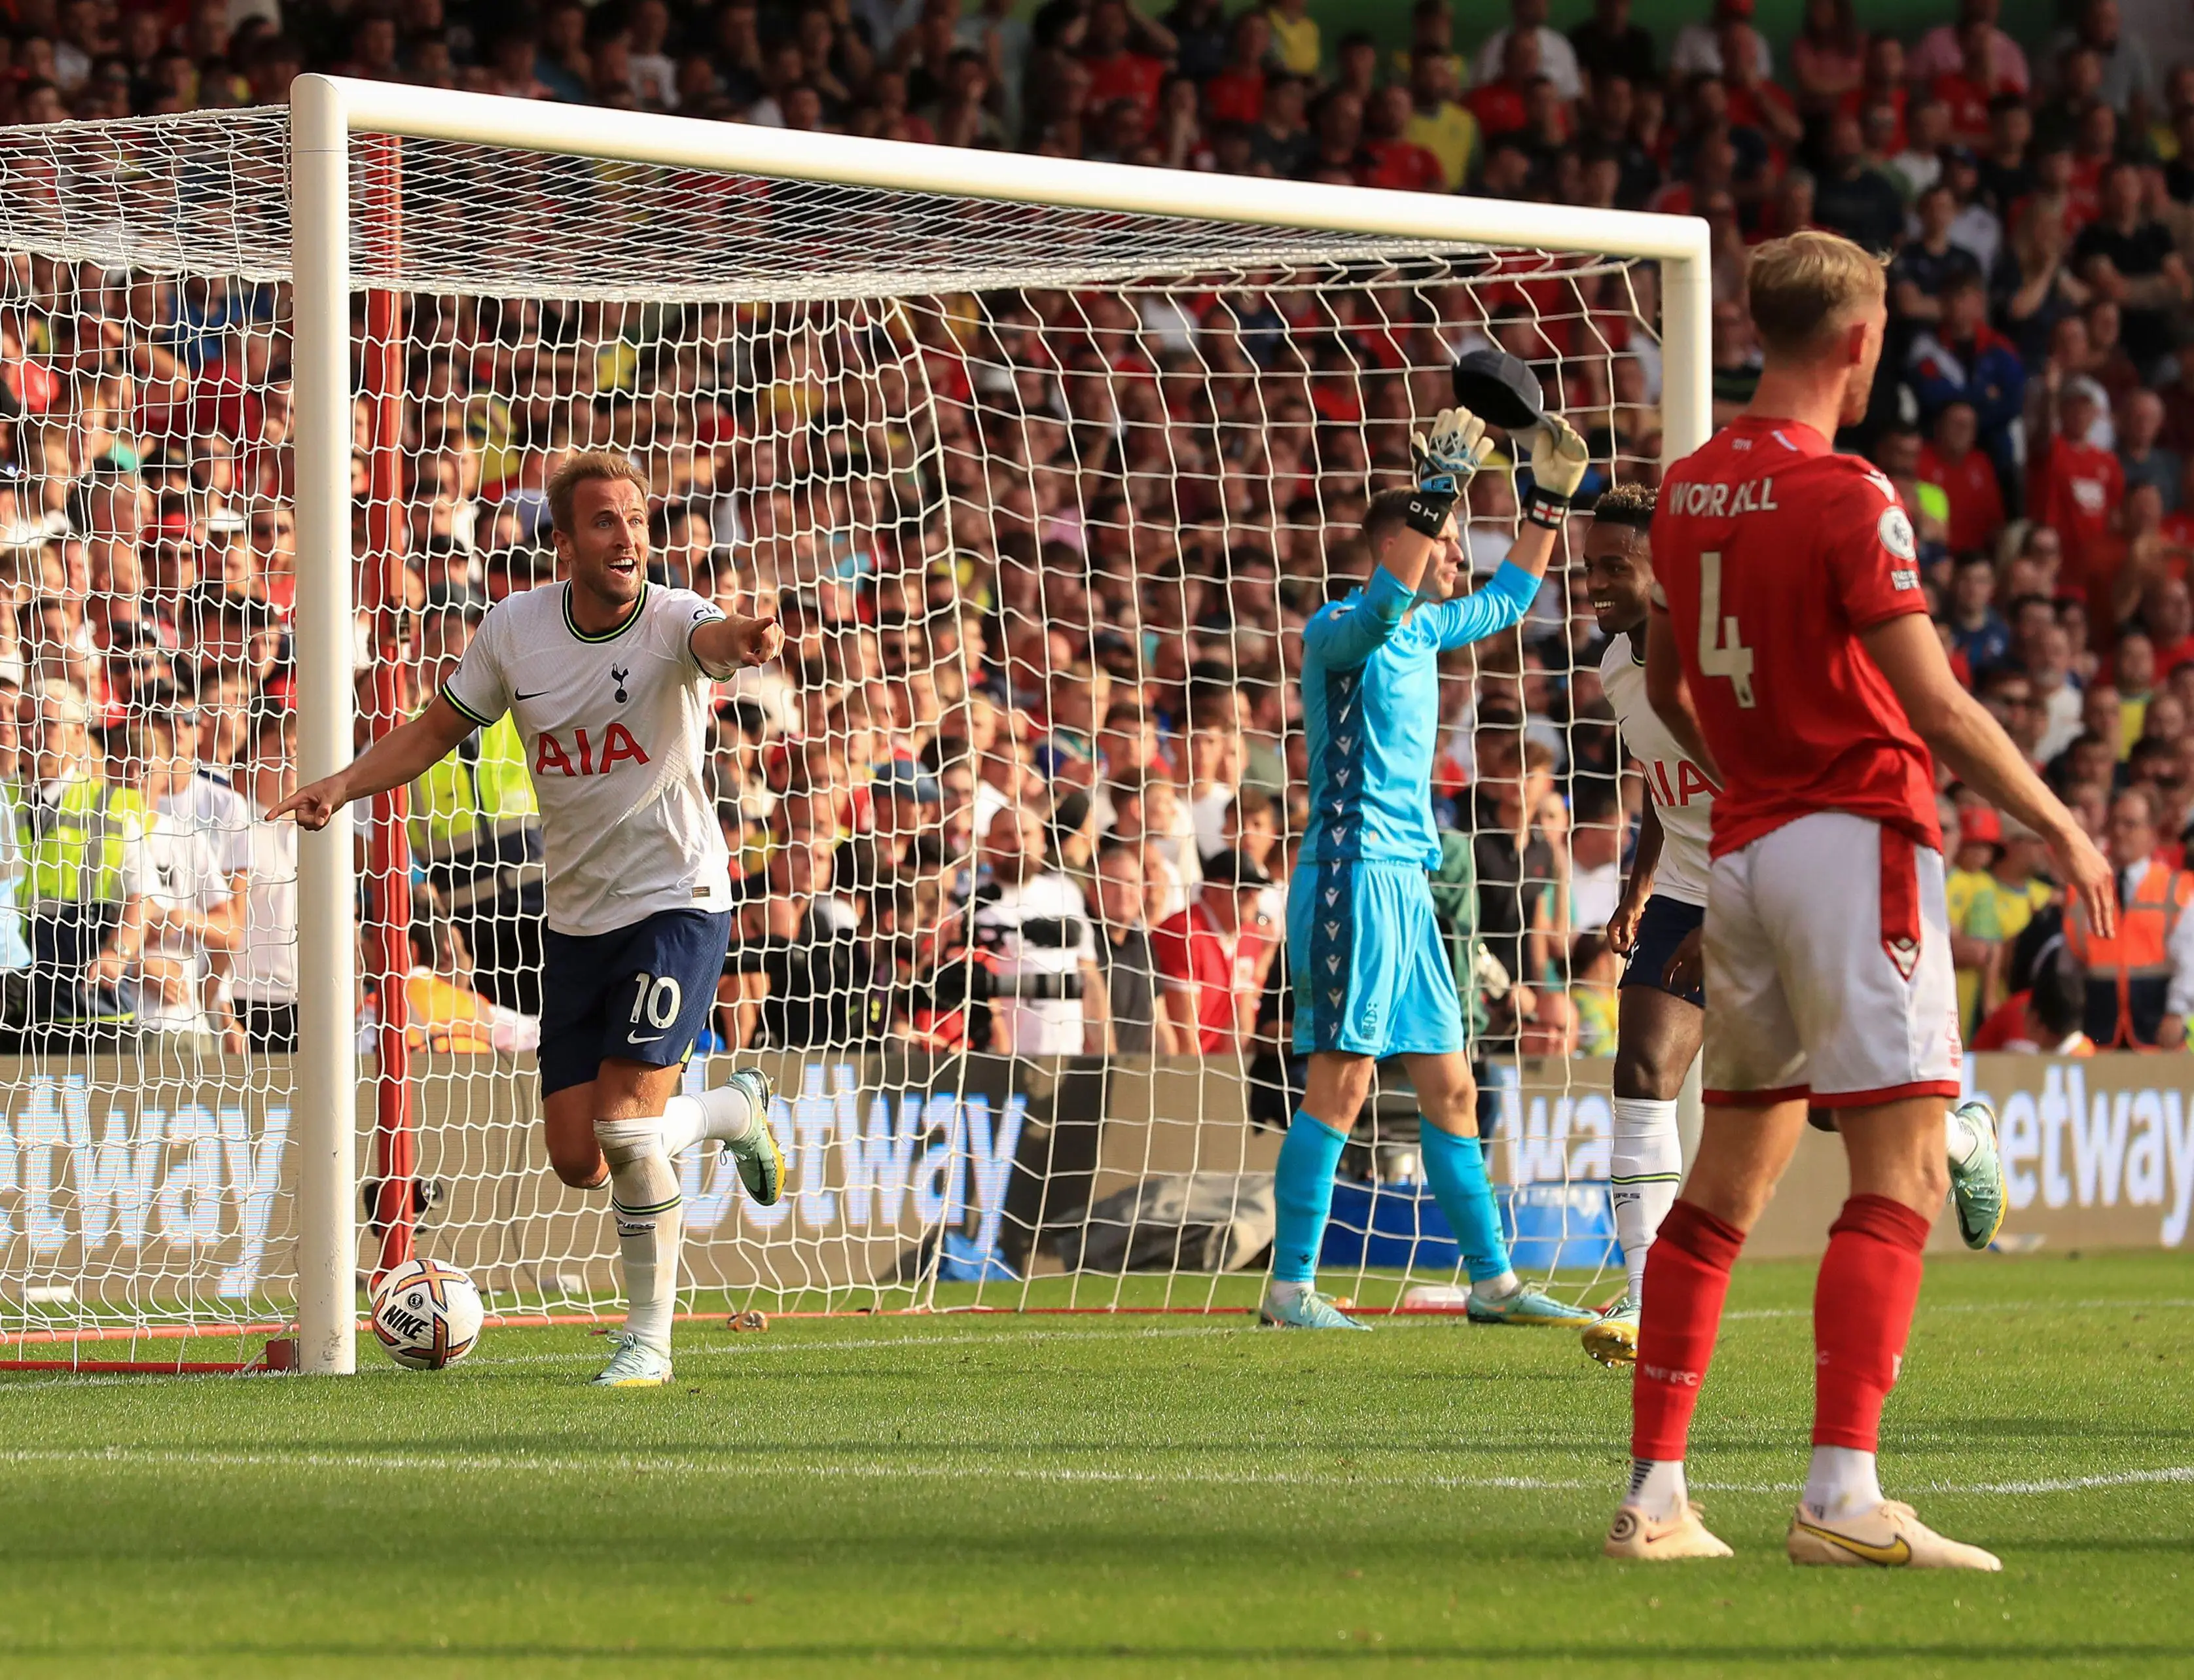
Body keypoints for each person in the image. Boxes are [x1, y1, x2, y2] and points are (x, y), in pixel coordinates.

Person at [1617, 230, 2114, 1568]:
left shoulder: (1682, 490)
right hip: (1853, 840)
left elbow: (1668, 692)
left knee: (1723, 1179)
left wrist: (1757, 769)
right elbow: (1936, 702)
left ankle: (1652, 1497)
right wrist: (2056, 818)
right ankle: (1840, 1490)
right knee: (1895, 1165)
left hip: (1738, 847)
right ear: (1858, 341)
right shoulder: (1846, 492)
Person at [274, 449, 790, 1389]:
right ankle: (730, 1107)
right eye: (604, 521)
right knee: (580, 1156)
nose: (628, 536)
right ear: (563, 542)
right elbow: (437, 730)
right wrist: (344, 783)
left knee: (630, 1130)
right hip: (577, 917)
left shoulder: (675, 619)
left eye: (636, 518)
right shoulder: (515, 628)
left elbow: (720, 640)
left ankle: (649, 1342)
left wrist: (750, 637)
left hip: (677, 898)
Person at [1262, 395, 1597, 1332]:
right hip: (1352, 873)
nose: (1461, 555)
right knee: (1345, 1079)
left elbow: (1510, 598)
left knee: (1452, 1084)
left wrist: (1545, 508)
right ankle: (1289, 1288)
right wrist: (1437, 489)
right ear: (1402, 537)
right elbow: (1384, 603)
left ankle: (1492, 1283)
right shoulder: (1339, 629)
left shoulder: (1424, 632)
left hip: (1409, 887)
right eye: (1450, 539)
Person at [1583, 483, 1709, 1370]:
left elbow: (1762, 787)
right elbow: (1662, 786)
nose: (1595, 582)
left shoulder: (1709, 658)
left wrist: (1736, 907)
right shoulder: (1613, 664)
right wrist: (1639, 886)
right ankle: (1646, 1290)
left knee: (1828, 1106)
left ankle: (1956, 1131)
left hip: (1765, 881)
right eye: (1591, 565)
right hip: (1683, 894)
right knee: (1640, 1065)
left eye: (1615, 565)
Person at [2064, 785, 2194, 1047]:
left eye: (2130, 824)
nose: (2119, 832)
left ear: (2152, 832)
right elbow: (2069, 968)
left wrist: (2177, 1012)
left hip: (2155, 1032)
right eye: (2115, 823)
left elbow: (2190, 961)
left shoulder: (2176, 889)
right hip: (2097, 1033)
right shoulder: (2084, 891)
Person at [1151, 847, 1275, 1054]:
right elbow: (1184, 1029)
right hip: (1175, 1062)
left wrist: (1233, 1074)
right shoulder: (1183, 933)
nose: (1254, 897)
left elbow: (1241, 1018)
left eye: (1257, 890)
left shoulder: (1249, 935)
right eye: (1244, 890)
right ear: (1215, 890)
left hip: (1217, 1063)